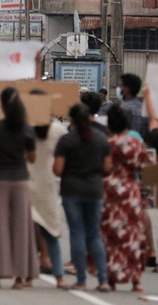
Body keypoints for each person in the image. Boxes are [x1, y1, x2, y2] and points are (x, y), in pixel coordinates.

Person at [0, 87, 39, 289]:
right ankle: (20, 277)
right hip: (20, 179)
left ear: (2, 105)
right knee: (21, 227)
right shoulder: (27, 129)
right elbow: (32, 158)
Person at [54, 103, 112, 292]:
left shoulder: (66, 140)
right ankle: (103, 280)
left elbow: (58, 169)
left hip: (72, 190)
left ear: (71, 120)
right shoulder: (101, 139)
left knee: (77, 233)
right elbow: (107, 168)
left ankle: (81, 279)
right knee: (94, 235)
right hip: (94, 189)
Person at [102, 105, 151, 292]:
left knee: (111, 235)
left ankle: (112, 277)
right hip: (131, 191)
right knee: (133, 235)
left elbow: (104, 168)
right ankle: (136, 279)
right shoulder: (136, 143)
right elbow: (146, 168)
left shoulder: (108, 143)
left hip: (111, 191)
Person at [26, 90, 68, 289]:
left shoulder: (25, 128)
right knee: (51, 232)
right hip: (49, 185)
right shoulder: (59, 130)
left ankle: (26, 275)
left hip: (27, 183)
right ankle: (58, 276)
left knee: (28, 231)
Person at [119, 73, 149, 139]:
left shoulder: (123, 109)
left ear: (127, 89)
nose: (119, 88)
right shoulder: (145, 108)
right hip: (142, 146)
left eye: (121, 86)